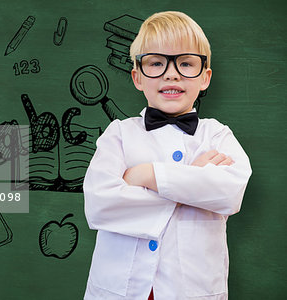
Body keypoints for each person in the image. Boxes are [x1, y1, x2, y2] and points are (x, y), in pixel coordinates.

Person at [83, 11, 252, 300]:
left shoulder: (217, 135)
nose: (171, 73)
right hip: (118, 289)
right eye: (156, 63)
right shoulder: (118, 134)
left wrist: (147, 175)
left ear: (205, 77)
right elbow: (100, 205)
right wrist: (193, 181)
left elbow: (229, 193)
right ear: (137, 77)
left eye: (185, 63)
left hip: (192, 290)